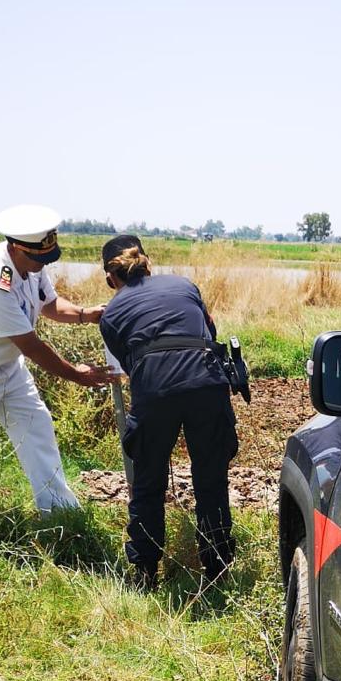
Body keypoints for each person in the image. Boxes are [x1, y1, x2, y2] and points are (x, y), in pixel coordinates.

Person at [0, 205, 109, 534]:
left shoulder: (32, 263)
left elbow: (49, 304)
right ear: (15, 247)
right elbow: (32, 346)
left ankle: (58, 511)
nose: (44, 264)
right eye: (39, 258)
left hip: (8, 365)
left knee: (36, 427)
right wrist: (78, 375)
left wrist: (86, 314)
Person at [91, 234, 238, 587]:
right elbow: (210, 330)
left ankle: (144, 573)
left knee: (148, 483)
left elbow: (131, 364)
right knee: (211, 480)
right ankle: (217, 569)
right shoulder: (184, 285)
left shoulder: (111, 315)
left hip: (155, 392)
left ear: (111, 277)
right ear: (147, 263)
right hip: (207, 383)